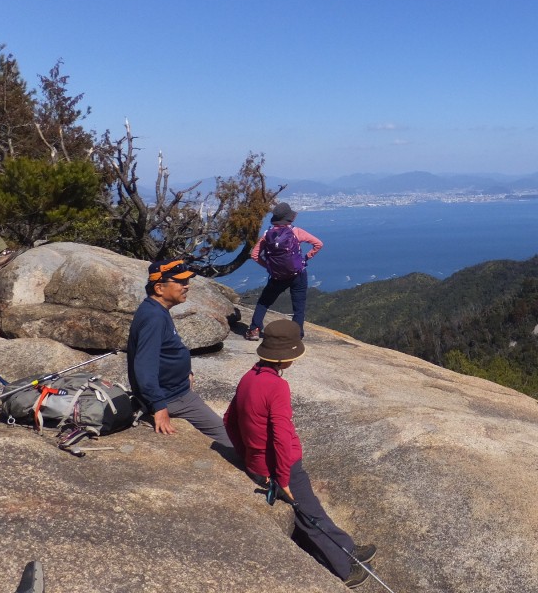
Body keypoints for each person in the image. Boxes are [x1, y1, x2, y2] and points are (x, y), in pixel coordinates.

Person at [224, 320, 376, 589]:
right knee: (310, 515)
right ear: (285, 358)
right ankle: (344, 569)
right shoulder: (277, 387)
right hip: (283, 468)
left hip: (259, 463)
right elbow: (281, 436)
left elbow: (229, 420)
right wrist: (282, 478)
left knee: (309, 513)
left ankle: (347, 547)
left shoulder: (249, 377)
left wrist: (248, 456)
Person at [127, 258, 233, 448]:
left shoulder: (156, 309)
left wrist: (186, 373)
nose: (186, 286)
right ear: (159, 288)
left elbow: (165, 351)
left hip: (177, 390)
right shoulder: (154, 318)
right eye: (181, 282)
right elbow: (144, 367)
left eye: (187, 281)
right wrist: (159, 406)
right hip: (174, 397)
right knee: (230, 438)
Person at [246, 202, 323, 340]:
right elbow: (318, 244)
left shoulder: (267, 234)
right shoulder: (296, 232)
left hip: (277, 276)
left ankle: (254, 330)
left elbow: (254, 255)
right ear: (289, 218)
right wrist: (305, 258)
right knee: (298, 306)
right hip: (297, 274)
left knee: (264, 302)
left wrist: (269, 266)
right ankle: (296, 334)